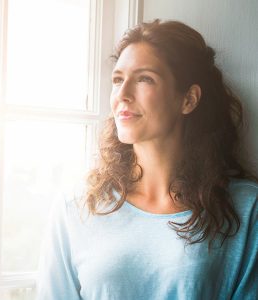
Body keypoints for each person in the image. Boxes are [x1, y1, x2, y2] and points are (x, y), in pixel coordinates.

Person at [36, 19, 257, 300]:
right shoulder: (77, 205)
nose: (123, 95)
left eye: (144, 79)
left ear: (188, 100)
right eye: (118, 80)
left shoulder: (245, 208)